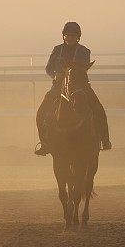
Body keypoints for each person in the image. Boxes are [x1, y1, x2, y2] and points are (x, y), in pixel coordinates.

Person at [34, 22, 111, 156]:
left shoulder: (84, 51)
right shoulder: (57, 50)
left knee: (98, 108)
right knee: (41, 112)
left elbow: (81, 68)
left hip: (81, 86)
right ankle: (45, 143)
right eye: (67, 35)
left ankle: (105, 139)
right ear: (63, 36)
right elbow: (48, 68)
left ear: (78, 37)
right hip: (58, 86)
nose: (69, 38)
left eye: (73, 35)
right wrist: (55, 76)